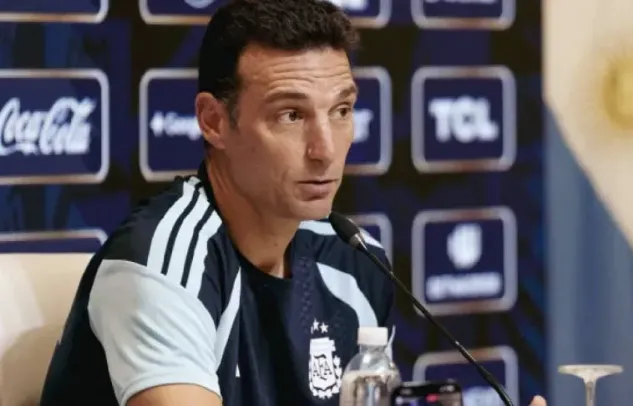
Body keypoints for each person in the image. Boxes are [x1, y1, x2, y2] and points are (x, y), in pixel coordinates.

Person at [39, 1, 548, 405]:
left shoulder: (355, 261)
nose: (325, 149)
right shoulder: (161, 267)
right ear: (214, 121)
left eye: (341, 111)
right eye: (290, 116)